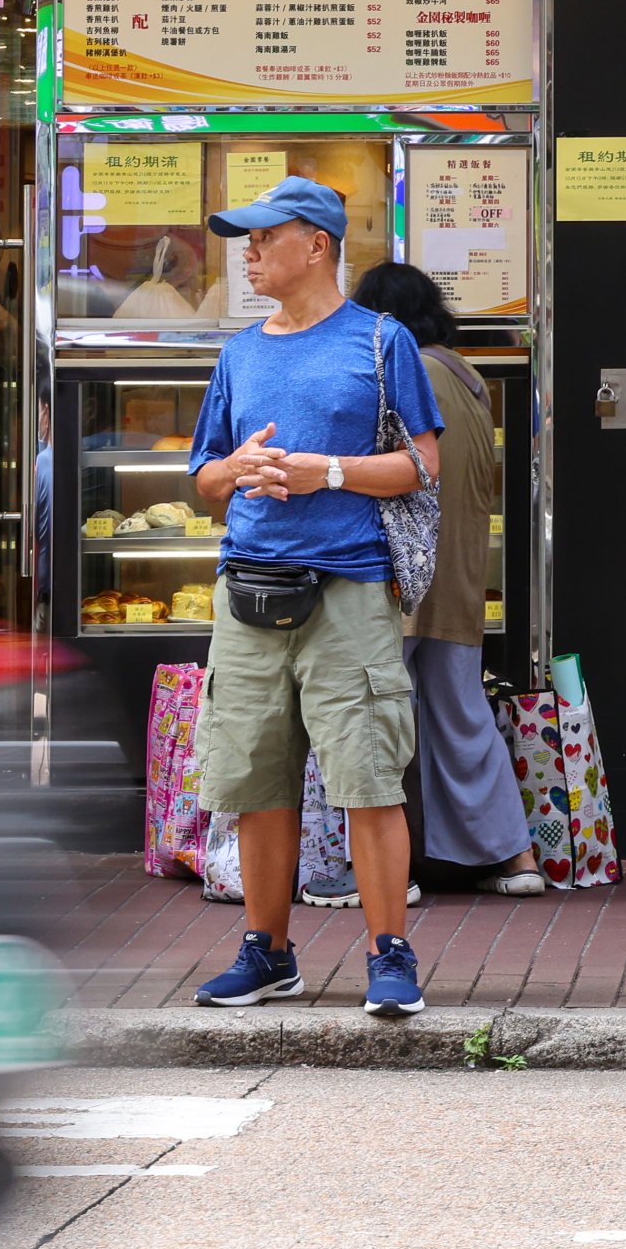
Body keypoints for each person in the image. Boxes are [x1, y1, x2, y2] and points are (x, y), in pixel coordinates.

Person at [183, 176, 443, 1021]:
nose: (248, 253)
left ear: (318, 245)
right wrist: (237, 471)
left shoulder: (380, 342)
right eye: (246, 239)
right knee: (256, 779)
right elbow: (203, 479)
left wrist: (323, 472)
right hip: (248, 589)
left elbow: (423, 466)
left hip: (352, 589)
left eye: (264, 238)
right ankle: (268, 953)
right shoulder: (238, 353)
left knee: (367, 776)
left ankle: (388, 952)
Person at [350, 259, 548, 898]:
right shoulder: (468, 377)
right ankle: (514, 857)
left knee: (379, 722)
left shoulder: (411, 374)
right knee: (462, 717)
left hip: (399, 576)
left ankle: (391, 871)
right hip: (460, 579)